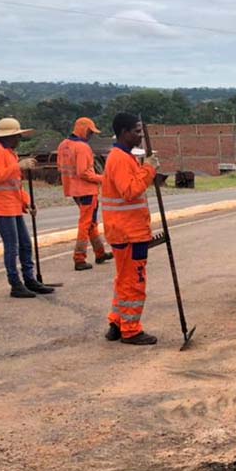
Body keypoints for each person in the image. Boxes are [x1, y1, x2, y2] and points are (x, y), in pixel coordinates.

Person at [0, 117, 55, 298]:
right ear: (7, 136)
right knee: (12, 246)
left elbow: (15, 184)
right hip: (0, 205)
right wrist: (17, 166)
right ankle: (15, 283)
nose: (19, 139)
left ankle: (29, 279)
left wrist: (27, 203)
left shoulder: (8, 152)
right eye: (16, 136)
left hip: (12, 204)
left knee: (25, 244)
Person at [102, 113, 160, 345]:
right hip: (128, 232)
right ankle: (131, 329)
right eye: (136, 131)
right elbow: (130, 190)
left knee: (123, 280)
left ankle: (116, 322)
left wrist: (145, 167)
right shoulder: (119, 159)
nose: (140, 136)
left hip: (126, 230)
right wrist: (148, 170)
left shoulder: (123, 157)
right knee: (134, 282)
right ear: (124, 132)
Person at [57, 117, 112, 270]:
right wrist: (104, 178)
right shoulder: (82, 147)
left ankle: (100, 252)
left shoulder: (63, 145)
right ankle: (79, 258)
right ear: (85, 130)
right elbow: (84, 173)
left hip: (73, 189)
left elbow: (60, 167)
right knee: (86, 223)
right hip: (86, 189)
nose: (91, 135)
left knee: (91, 222)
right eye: (90, 132)